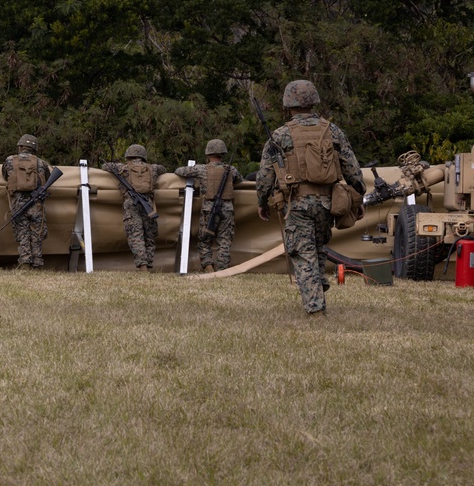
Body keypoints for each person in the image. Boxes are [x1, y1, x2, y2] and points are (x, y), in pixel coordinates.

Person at [256, 80, 365, 315]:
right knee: (316, 247)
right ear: (314, 100)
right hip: (328, 204)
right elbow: (353, 170)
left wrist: (262, 202)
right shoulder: (332, 131)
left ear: (288, 105)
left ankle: (315, 309)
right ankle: (317, 285)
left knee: (303, 254)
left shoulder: (281, 134)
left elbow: (265, 175)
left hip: (298, 204)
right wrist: (359, 197)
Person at [174, 139, 244, 273]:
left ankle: (208, 266)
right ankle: (222, 269)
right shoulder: (231, 170)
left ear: (208, 154)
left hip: (209, 209)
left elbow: (179, 171)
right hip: (227, 210)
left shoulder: (202, 169)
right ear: (222, 154)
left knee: (205, 239)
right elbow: (240, 180)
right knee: (224, 240)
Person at [102, 144, 166, 271]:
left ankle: (142, 266)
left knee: (136, 235)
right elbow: (163, 169)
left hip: (131, 203)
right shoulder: (152, 168)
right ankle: (148, 264)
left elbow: (105, 166)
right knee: (149, 235)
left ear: (128, 156)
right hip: (148, 203)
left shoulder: (123, 168)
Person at [2, 134, 52, 269]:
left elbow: (5, 176)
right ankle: (37, 263)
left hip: (18, 203)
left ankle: (25, 263)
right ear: (34, 148)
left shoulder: (9, 161)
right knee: (37, 234)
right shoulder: (41, 163)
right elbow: (47, 179)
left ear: (20, 147)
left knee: (22, 233)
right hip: (37, 204)